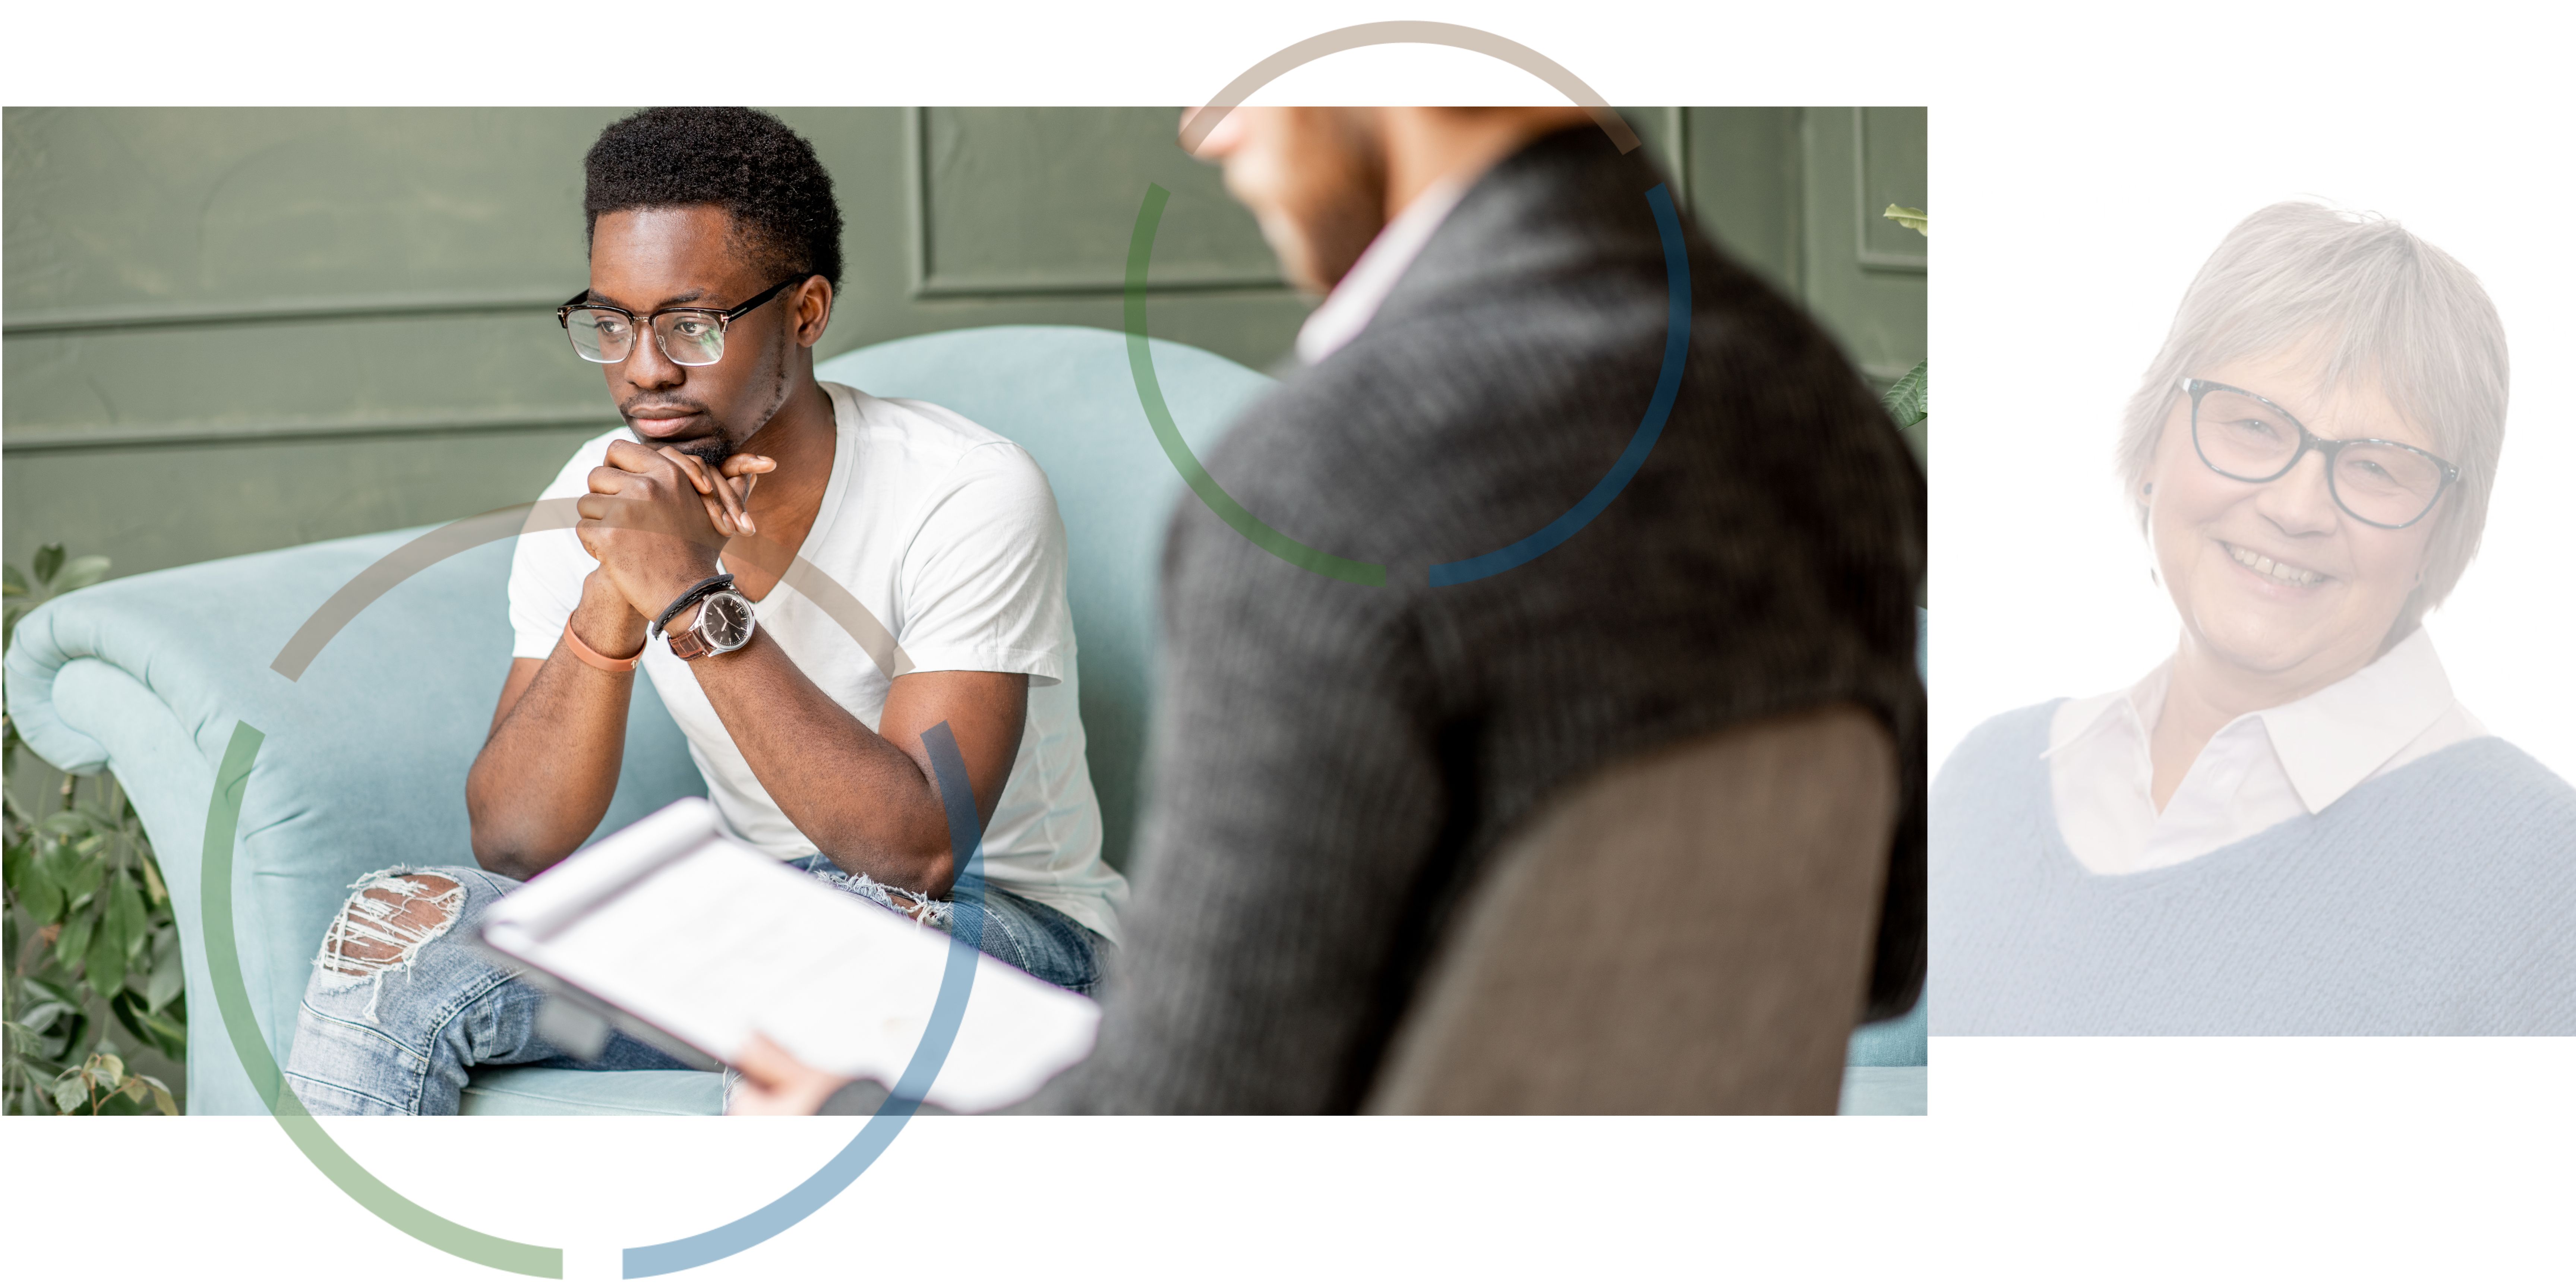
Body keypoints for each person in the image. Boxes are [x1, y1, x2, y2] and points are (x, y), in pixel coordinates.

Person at [734, 105, 1926, 1114]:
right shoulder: (1825, 410)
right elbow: (1875, 959)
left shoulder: (1328, 480)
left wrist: (857, 1125)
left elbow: (1198, 1120)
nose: (1209, 129)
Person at [282, 107, 1126, 1116]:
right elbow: (516, 844)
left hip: (1016, 934)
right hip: (760, 921)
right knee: (393, 933)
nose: (643, 369)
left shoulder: (966, 489)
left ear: (806, 312)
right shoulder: (600, 500)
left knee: (821, 978)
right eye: (612, 323)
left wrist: (689, 595)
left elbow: (916, 852)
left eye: (692, 324)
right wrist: (612, 597)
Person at [1930, 202, 2576, 1035]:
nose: (2297, 507)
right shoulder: (1984, 781)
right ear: (2154, 446)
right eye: (2253, 426)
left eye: (2378, 467)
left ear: (2440, 533)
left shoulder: (2540, 872)